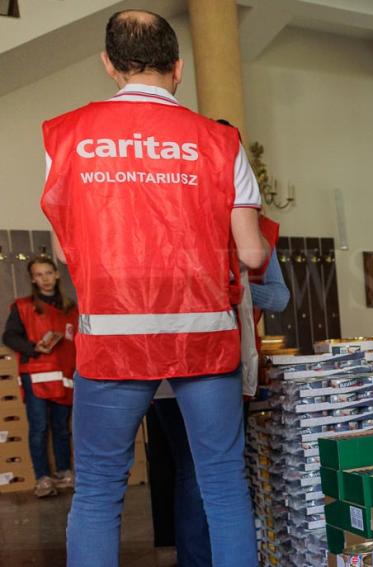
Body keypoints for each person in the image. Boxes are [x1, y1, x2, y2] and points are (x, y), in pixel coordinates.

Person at [40, 10, 268, 566]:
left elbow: (67, 239)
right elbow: (252, 253)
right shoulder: (219, 141)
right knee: (222, 487)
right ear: (179, 68)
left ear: (109, 66)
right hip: (204, 337)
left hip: (111, 340)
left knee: (97, 493)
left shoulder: (65, 135)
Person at [151, 213, 289, 567]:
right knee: (192, 472)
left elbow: (279, 297)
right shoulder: (168, 209)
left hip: (228, 366)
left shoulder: (261, 230)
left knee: (221, 475)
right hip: (167, 363)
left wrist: (235, 285)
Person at [2, 256, 77, 498]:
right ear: (33, 279)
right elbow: (9, 337)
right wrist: (34, 347)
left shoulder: (70, 308)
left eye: (48, 273)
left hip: (64, 377)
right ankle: (43, 479)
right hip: (36, 375)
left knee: (62, 428)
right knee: (39, 428)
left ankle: (65, 473)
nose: (44, 278)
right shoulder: (23, 307)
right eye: (39, 274)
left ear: (56, 274)